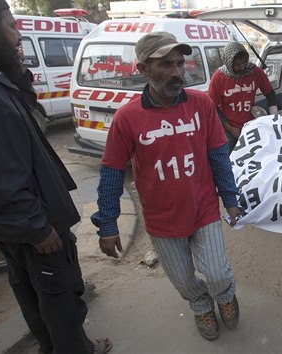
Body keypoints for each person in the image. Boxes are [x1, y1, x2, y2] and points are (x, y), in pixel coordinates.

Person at [0, 1, 112, 354]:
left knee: (34, 296)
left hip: (13, 225)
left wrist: (18, 72)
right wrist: (37, 227)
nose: (18, 35)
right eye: (11, 27)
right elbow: (4, 171)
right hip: (32, 224)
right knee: (60, 300)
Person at [91, 31, 241, 342]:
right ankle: (201, 305)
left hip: (203, 209)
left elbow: (218, 154)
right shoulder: (127, 117)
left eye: (179, 63)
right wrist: (107, 223)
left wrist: (229, 197)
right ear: (143, 69)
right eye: (165, 65)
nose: (176, 72)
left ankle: (225, 297)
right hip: (161, 219)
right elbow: (112, 172)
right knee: (183, 279)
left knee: (216, 272)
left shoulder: (201, 104)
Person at [208, 41, 278, 151]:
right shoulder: (218, 78)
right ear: (229, 64)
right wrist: (230, 129)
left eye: (243, 63)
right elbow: (212, 108)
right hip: (229, 128)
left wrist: (275, 120)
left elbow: (270, 94)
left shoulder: (255, 72)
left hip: (250, 124)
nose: (241, 67)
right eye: (237, 65)